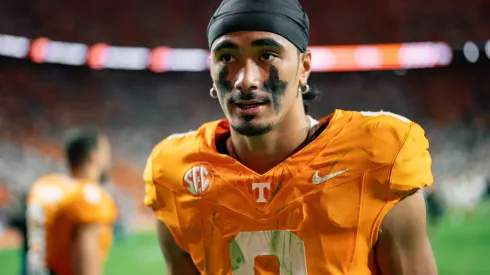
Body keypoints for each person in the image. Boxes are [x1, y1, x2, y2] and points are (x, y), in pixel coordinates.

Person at [143, 0, 438, 274]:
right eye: (227, 56)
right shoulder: (175, 172)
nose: (246, 80)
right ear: (212, 71)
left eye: (267, 55)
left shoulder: (376, 154)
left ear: (304, 68)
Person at [26, 129, 117, 275]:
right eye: (106, 153)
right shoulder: (86, 197)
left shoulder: (45, 185)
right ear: (93, 157)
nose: (110, 160)